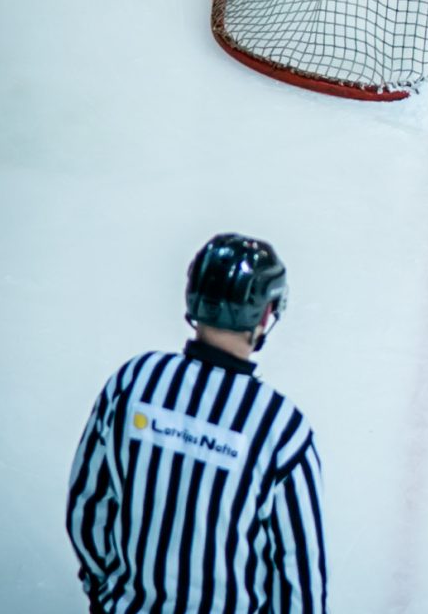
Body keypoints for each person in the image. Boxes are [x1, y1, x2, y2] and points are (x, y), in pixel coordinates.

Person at [67, 234, 327, 613]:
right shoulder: (282, 428)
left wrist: (110, 594)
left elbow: (87, 509)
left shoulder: (134, 381)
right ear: (265, 315)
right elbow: (299, 579)